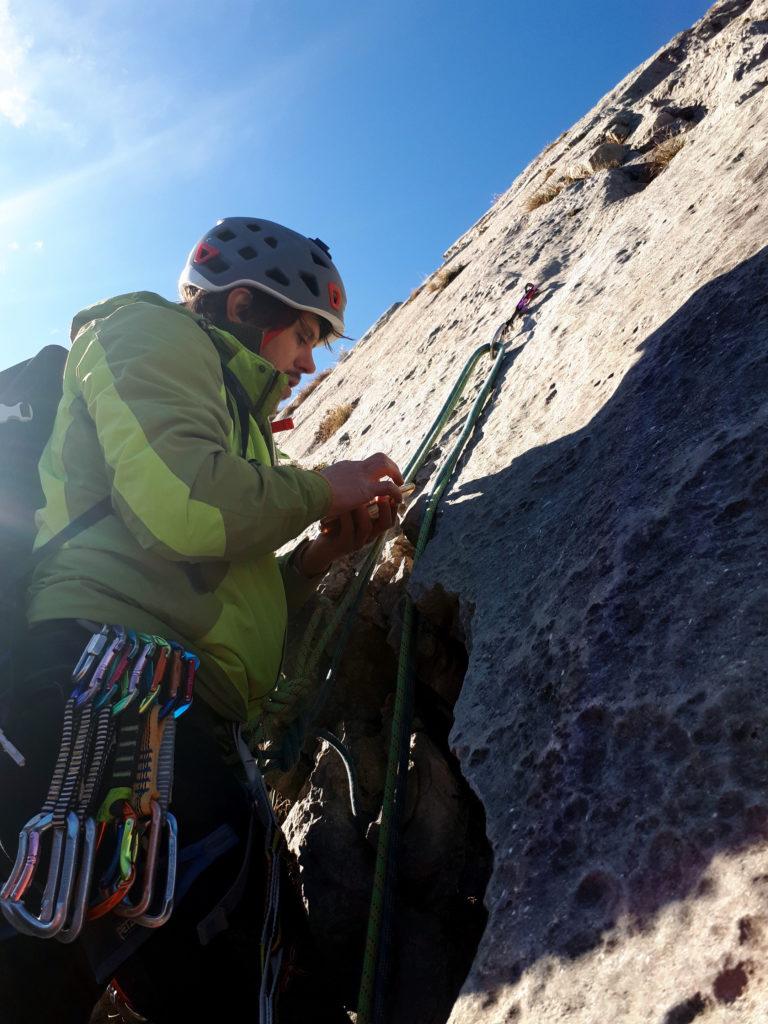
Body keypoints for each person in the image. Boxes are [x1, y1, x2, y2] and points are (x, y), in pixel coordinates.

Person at [0, 217, 403, 1023]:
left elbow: (212, 591)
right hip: (111, 690)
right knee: (247, 986)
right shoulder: (149, 332)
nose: (311, 360)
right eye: (306, 333)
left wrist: (314, 562)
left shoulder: (234, 424)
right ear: (245, 305)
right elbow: (184, 506)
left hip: (152, 702)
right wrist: (325, 486)